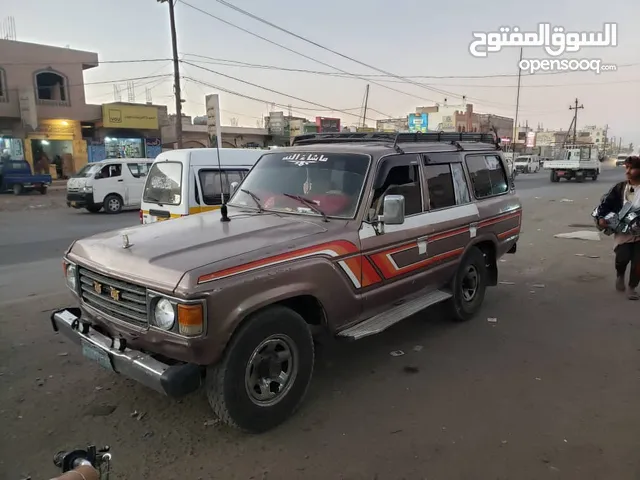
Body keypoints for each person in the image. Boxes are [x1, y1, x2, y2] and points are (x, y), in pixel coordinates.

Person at [596, 155, 640, 300]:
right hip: (624, 232)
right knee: (622, 258)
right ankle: (620, 274)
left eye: (631, 168)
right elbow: (606, 203)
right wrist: (601, 217)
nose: (627, 171)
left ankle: (632, 287)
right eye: (626, 167)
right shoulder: (620, 188)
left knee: (638, 263)